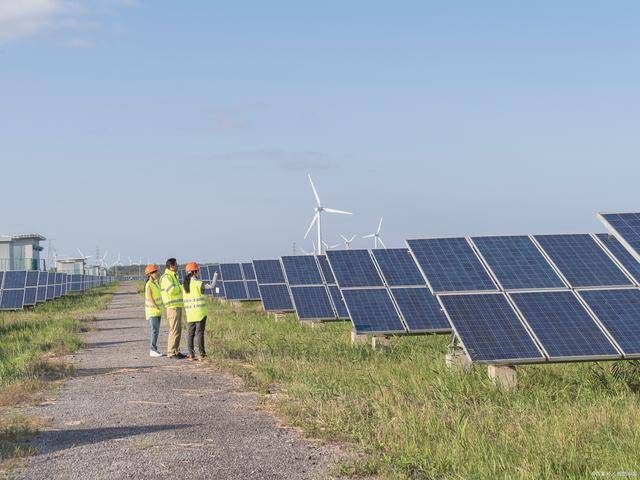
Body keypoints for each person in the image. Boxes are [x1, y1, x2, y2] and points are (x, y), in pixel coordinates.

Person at [182, 262, 217, 361]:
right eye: (197, 271)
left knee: (190, 334)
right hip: (200, 313)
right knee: (200, 333)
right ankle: (202, 354)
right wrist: (215, 276)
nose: (199, 273)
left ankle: (191, 354)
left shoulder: (184, 285)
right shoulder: (198, 283)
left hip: (190, 314)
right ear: (194, 272)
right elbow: (212, 286)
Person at [160, 258, 185, 359]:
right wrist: (181, 287)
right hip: (172, 307)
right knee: (174, 330)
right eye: (176, 264)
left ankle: (176, 350)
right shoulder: (166, 277)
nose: (178, 266)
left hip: (177, 306)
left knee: (178, 330)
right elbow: (172, 290)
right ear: (171, 266)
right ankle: (171, 352)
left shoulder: (173, 276)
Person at [144, 264, 164, 357]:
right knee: (154, 331)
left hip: (157, 310)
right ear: (150, 274)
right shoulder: (149, 284)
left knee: (156, 330)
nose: (157, 273)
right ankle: (152, 349)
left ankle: (154, 348)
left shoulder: (155, 283)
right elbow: (150, 297)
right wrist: (156, 306)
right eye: (155, 272)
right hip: (153, 311)